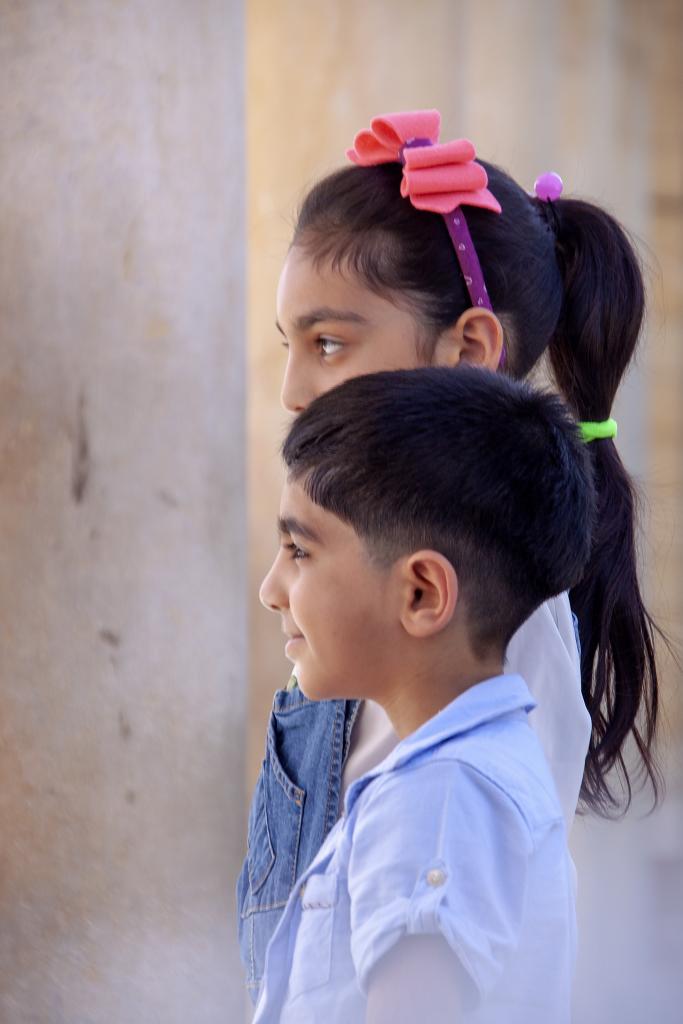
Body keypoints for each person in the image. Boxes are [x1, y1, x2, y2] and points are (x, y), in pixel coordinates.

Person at [237, 110, 660, 1001]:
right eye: (289, 345)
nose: (292, 390)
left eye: (328, 343)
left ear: (470, 348)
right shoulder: (367, 587)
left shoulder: (503, 630)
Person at [254, 366, 595, 1023]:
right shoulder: (454, 777)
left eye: (298, 550)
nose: (271, 588)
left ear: (420, 594)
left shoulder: (440, 796)